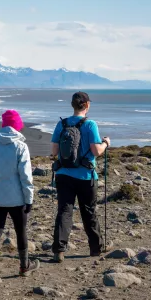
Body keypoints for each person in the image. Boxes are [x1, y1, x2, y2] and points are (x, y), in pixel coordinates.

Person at [51, 92, 110, 262]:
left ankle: (59, 250)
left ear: (72, 105)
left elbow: (54, 151)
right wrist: (106, 143)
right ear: (87, 105)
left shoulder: (61, 124)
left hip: (63, 174)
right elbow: (96, 151)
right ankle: (95, 249)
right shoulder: (90, 124)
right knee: (89, 211)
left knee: (64, 211)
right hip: (86, 175)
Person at [0, 110, 40, 285]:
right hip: (17, 198)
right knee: (21, 231)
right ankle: (24, 266)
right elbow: (26, 176)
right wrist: (29, 198)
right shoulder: (21, 147)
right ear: (17, 126)